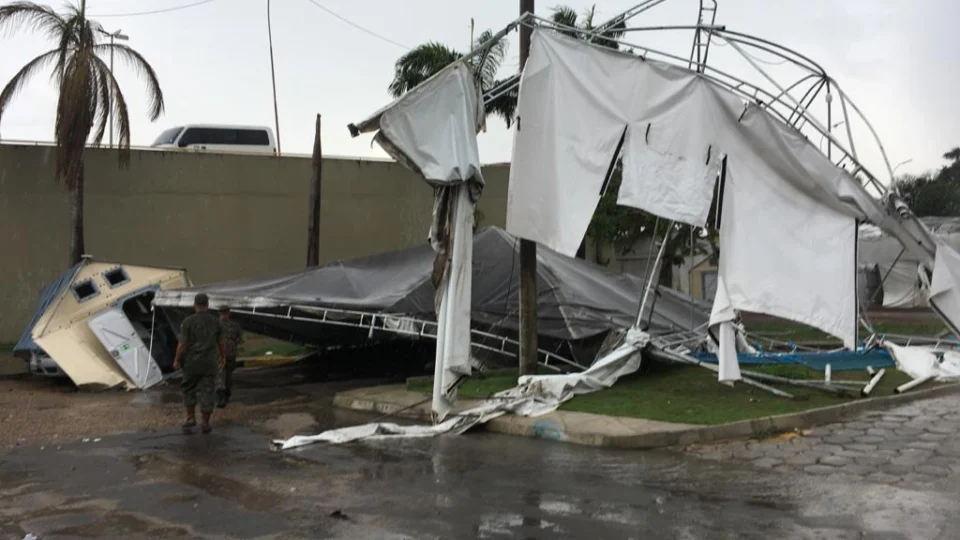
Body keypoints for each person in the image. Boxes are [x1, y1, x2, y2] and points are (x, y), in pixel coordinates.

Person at [173, 293, 224, 434]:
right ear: (207, 305)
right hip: (209, 363)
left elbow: (182, 343)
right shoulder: (216, 321)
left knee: (188, 388)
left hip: (191, 363)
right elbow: (221, 342)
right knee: (207, 391)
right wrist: (222, 357)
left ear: (195, 305)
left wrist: (177, 359)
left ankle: (190, 418)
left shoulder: (188, 322)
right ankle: (206, 423)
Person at [216, 307, 243, 408]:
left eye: (225, 313)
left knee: (228, 375)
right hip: (219, 354)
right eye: (223, 313)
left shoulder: (234, 325)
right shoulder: (215, 325)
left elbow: (240, 339)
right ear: (219, 313)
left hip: (229, 353)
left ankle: (226, 394)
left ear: (229, 313)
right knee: (220, 375)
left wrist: (233, 343)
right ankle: (221, 397)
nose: (224, 315)